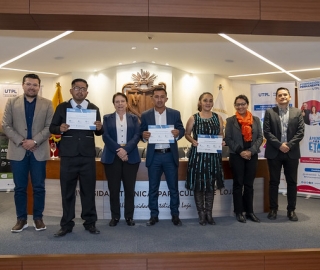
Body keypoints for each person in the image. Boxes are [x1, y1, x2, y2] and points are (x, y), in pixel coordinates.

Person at [49, 78, 104, 236]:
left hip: (87, 156)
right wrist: (60, 128)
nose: (80, 91)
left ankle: (90, 222)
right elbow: (52, 127)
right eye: (77, 88)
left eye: (83, 88)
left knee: (88, 191)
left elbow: (98, 131)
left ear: (87, 91)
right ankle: (66, 224)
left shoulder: (93, 108)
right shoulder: (62, 107)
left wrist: (100, 127)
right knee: (67, 191)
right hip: (68, 155)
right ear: (71, 91)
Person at [2, 73, 54, 233]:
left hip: (39, 151)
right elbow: (6, 125)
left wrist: (34, 141)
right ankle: (21, 219)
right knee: (20, 188)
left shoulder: (47, 103)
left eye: (35, 85)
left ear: (39, 87)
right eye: (29, 84)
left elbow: (50, 126)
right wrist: (23, 141)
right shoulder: (11, 102)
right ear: (23, 85)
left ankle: (38, 218)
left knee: (39, 187)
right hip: (18, 150)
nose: (32, 87)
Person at [140, 87, 185, 226]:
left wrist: (178, 133)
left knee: (173, 188)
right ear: (152, 98)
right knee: (153, 188)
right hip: (154, 156)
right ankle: (154, 215)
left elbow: (182, 129)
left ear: (166, 98)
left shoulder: (175, 113)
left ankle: (175, 215)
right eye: (156, 97)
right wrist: (144, 136)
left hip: (170, 155)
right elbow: (141, 132)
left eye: (162, 96)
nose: (159, 99)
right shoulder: (146, 115)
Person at [263, 87, 304, 221]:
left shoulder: (297, 112)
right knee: (274, 182)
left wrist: (288, 145)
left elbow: (300, 132)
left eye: (285, 95)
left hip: (291, 153)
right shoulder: (269, 112)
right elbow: (267, 132)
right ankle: (273, 209)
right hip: (274, 152)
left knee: (292, 182)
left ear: (289, 97)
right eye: (280, 95)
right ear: (276, 98)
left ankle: (291, 210)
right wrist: (280, 145)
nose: (282, 97)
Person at [101, 92, 140, 227]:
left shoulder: (134, 118)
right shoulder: (107, 118)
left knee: (130, 189)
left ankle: (129, 216)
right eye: (117, 102)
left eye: (122, 101)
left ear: (126, 103)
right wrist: (119, 150)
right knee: (114, 189)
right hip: (112, 156)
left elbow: (137, 135)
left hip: (130, 156)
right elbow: (105, 136)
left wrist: (125, 150)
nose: (120, 104)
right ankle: (115, 217)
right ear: (114, 104)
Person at [185, 92, 224, 226]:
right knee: (199, 185)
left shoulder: (218, 117)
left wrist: (221, 141)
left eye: (210, 101)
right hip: (198, 157)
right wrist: (193, 141)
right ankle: (201, 214)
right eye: (205, 100)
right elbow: (187, 134)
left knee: (210, 185)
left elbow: (220, 133)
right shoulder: (193, 118)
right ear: (200, 102)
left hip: (213, 156)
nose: (208, 103)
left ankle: (209, 213)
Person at [225, 95, 263, 223]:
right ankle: (239, 211)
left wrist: (251, 151)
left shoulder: (256, 120)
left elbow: (260, 137)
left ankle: (250, 211)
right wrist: (241, 151)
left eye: (243, 104)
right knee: (238, 184)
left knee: (249, 185)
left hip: (252, 155)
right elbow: (228, 139)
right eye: (237, 104)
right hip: (237, 155)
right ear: (235, 106)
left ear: (247, 104)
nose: (240, 106)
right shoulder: (230, 120)